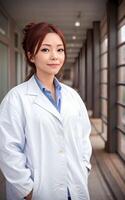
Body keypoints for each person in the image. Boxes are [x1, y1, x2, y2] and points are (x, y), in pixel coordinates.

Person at [0, 22, 92, 200]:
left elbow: (83, 138)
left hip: (74, 190)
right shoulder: (16, 99)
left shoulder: (73, 97)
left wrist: (84, 167)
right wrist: (28, 191)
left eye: (59, 50)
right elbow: (7, 150)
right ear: (30, 56)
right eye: (45, 50)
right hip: (37, 194)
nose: (54, 56)